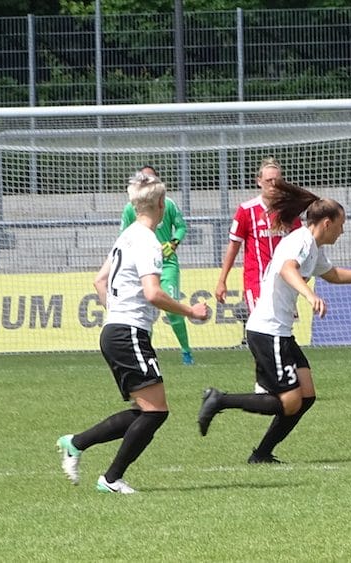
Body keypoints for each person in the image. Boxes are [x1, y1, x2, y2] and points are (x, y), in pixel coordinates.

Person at [197, 180, 351, 463]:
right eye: (341, 225)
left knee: (306, 396)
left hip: (279, 332)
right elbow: (287, 268)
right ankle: (219, 399)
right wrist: (308, 293)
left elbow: (332, 274)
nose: (342, 231)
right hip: (268, 331)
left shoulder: (313, 246)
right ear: (327, 223)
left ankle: (262, 454)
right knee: (289, 402)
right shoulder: (301, 241)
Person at [56, 172, 210, 494]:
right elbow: (153, 293)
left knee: (144, 411)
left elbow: (99, 281)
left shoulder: (126, 235)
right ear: (161, 204)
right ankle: (111, 479)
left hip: (116, 330)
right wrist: (191, 311)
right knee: (156, 412)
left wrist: (116, 312)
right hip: (127, 333)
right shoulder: (148, 241)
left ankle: (76, 443)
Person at [119, 166, 195, 365]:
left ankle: (186, 352)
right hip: (142, 266)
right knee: (143, 310)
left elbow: (181, 227)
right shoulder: (130, 209)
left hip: (167, 263)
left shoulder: (168, 204)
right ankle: (144, 352)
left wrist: (173, 243)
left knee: (171, 308)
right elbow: (123, 236)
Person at [215, 157, 302, 320]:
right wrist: (222, 280)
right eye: (269, 180)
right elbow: (233, 247)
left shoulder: (289, 210)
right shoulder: (246, 210)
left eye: (277, 181)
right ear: (259, 181)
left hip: (284, 281)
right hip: (256, 280)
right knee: (261, 324)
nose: (273, 185)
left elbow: (301, 244)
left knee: (282, 328)